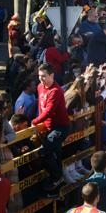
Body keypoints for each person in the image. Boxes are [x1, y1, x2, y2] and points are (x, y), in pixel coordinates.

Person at [31, 63, 70, 194]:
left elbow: (48, 110)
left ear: (52, 75)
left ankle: (57, 177)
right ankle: (57, 185)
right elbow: (41, 107)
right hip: (49, 127)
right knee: (56, 155)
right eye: (39, 76)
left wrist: (35, 121)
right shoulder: (40, 87)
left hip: (60, 127)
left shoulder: (56, 91)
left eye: (44, 76)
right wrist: (40, 123)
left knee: (43, 152)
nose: (41, 79)